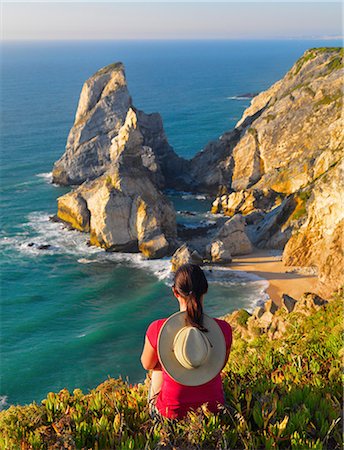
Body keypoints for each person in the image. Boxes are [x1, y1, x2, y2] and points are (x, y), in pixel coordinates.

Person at [141, 263, 232, 420]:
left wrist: (173, 360)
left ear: (175, 292)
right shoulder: (223, 329)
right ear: (205, 290)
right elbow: (219, 365)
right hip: (213, 412)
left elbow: (147, 364)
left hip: (170, 416)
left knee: (157, 368)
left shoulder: (157, 328)